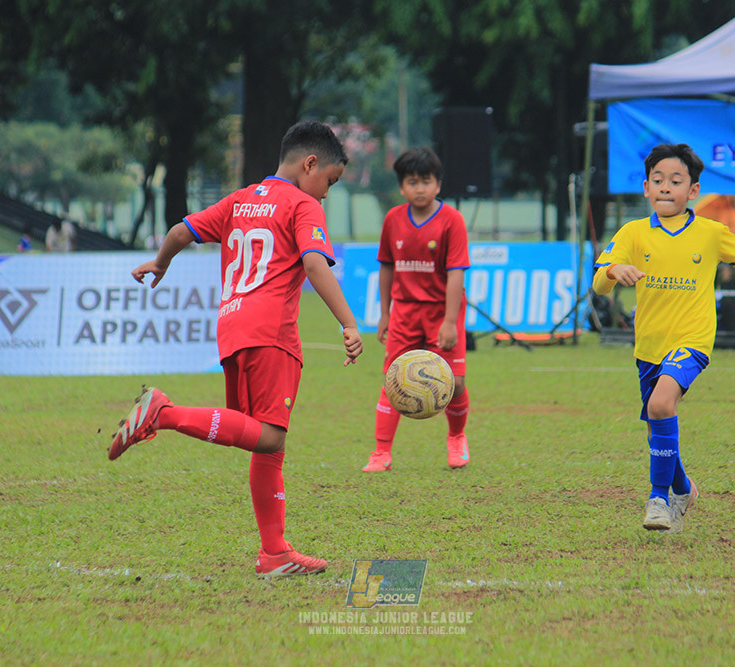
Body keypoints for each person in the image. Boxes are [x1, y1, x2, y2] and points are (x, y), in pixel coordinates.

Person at [109, 121, 363, 577]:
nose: (327, 193)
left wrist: (160, 264)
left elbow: (181, 231)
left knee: (262, 442)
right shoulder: (303, 205)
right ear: (310, 164)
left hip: (231, 327)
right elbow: (313, 263)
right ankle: (163, 413)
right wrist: (348, 322)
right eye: (330, 180)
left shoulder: (239, 199)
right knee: (271, 436)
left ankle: (274, 553)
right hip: (272, 332)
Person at [592, 144, 735, 533]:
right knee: (657, 422)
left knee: (661, 404)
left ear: (693, 191)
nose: (665, 187)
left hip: (693, 340)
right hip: (649, 346)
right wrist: (613, 271)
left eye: (676, 181)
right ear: (646, 187)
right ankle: (684, 488)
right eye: (658, 180)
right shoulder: (633, 233)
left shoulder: (711, 233)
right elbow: (599, 284)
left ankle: (659, 500)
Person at [363, 147, 471, 473]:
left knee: (456, 383)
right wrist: (385, 313)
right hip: (405, 312)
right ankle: (381, 452)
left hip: (442, 311)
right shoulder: (393, 219)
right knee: (393, 379)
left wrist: (450, 322)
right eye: (412, 182)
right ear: (401, 187)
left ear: (438, 184)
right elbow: (386, 267)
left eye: (426, 181)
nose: (420, 188)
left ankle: (457, 437)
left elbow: (456, 274)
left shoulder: (452, 220)